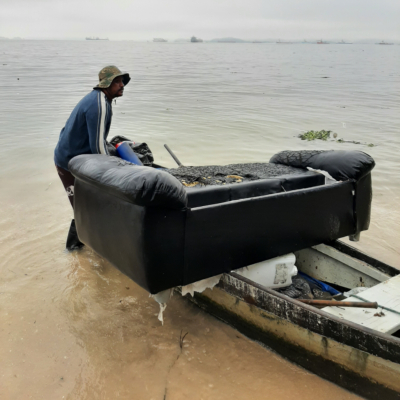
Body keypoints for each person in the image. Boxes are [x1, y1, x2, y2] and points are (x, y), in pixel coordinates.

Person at [54, 65, 130, 250]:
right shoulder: (100, 104)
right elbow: (98, 148)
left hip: (73, 157)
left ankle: (84, 248)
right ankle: (73, 250)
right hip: (69, 162)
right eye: (117, 82)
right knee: (83, 209)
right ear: (107, 84)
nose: (122, 85)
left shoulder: (99, 99)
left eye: (122, 81)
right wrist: (111, 177)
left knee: (87, 206)